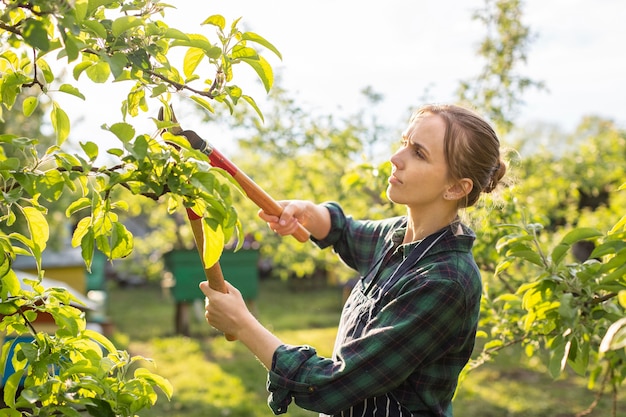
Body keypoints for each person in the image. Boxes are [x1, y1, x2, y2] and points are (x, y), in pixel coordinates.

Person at [200, 103, 507, 417]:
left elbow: (331, 385)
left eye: (418, 153)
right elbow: (346, 232)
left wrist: (242, 323)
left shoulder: (445, 281)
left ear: (455, 187)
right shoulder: (399, 236)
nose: (395, 158)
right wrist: (308, 211)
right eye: (404, 142)